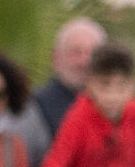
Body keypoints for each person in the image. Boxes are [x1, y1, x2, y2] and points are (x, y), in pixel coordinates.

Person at [26, 17, 106, 150]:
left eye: (92, 54)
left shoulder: (119, 109)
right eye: (76, 52)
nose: (84, 61)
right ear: (55, 58)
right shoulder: (34, 107)